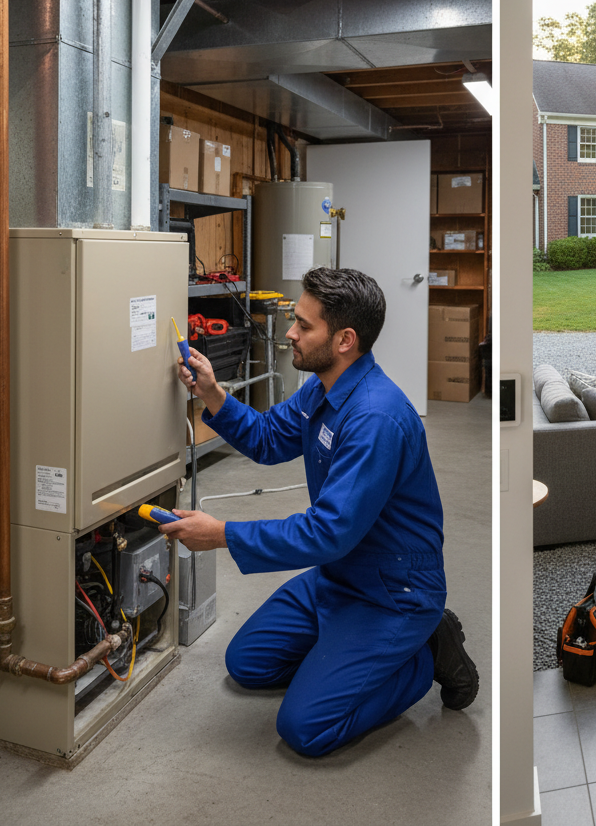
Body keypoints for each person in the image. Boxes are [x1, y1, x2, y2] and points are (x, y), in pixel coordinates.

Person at [159, 267, 479, 756]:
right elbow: (268, 439)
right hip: (340, 576)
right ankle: (347, 654)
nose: (290, 333)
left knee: (305, 728)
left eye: (304, 326)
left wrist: (223, 533)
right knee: (248, 664)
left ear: (345, 339)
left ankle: (425, 654)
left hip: (394, 591)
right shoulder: (323, 389)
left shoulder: (375, 417)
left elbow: (329, 532)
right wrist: (211, 392)